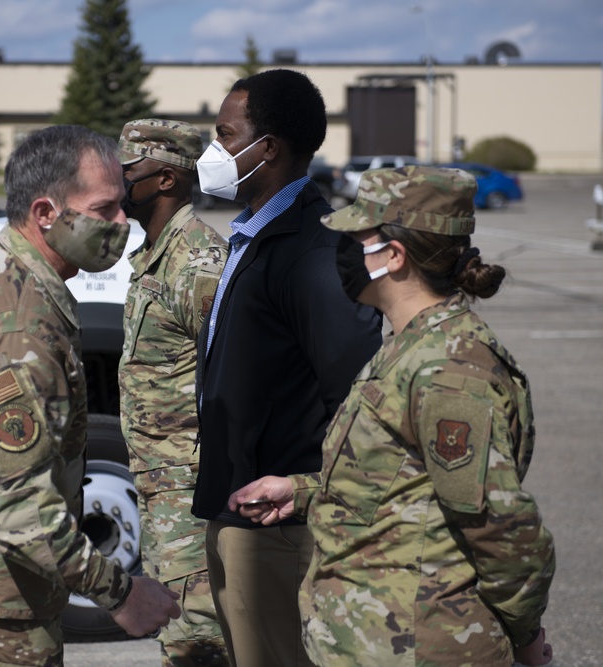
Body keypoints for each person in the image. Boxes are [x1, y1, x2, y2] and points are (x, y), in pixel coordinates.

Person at [230, 166, 556, 666]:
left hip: (418, 647)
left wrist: (527, 639)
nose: (340, 251)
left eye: (355, 239)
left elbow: (501, 528)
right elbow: (405, 485)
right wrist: (302, 492)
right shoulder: (410, 345)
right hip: (371, 641)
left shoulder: (450, 368)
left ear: (394, 256)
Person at [0, 125, 181, 667]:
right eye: (105, 208)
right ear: (46, 212)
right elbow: (16, 506)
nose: (124, 223)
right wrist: (121, 593)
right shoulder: (19, 325)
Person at [191, 69, 382, 667]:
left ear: (266, 148)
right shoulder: (256, 234)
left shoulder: (314, 250)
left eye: (225, 135)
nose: (213, 151)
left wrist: (304, 496)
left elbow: (353, 394)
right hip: (238, 508)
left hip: (278, 525)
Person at [116, 118, 230, 666]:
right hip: (161, 484)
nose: (116, 183)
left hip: (190, 490)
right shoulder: (155, 254)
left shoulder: (198, 263)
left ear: (165, 179)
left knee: (196, 641)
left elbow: (233, 380)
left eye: (126, 171)